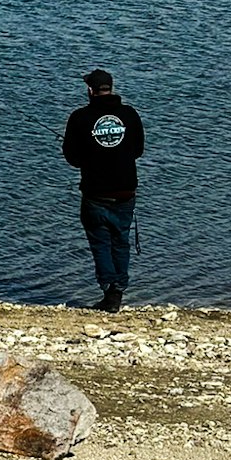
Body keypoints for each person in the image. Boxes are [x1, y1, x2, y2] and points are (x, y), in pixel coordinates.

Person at [62, 68, 145, 312]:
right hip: (125, 191)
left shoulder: (79, 118)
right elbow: (138, 150)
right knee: (121, 241)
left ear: (90, 90)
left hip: (95, 193)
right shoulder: (130, 115)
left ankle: (110, 289)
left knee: (100, 242)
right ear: (111, 87)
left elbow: (73, 158)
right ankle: (117, 289)